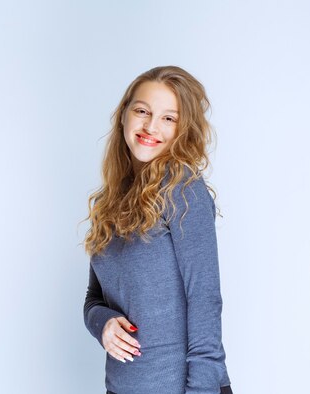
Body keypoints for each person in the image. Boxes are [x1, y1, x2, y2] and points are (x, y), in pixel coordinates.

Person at [82, 65, 234, 394]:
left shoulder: (182, 189)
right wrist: (103, 324)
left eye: (169, 118)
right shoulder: (108, 203)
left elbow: (205, 301)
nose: (151, 126)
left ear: (183, 130)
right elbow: (94, 299)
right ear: (124, 115)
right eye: (142, 111)